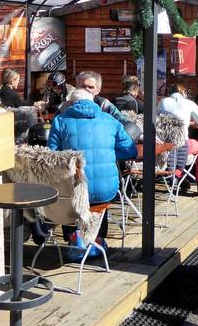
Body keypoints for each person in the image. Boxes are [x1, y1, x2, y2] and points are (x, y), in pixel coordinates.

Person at [48, 89, 137, 251]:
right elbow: (131, 151)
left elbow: (53, 156)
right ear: (93, 102)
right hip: (106, 190)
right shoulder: (110, 120)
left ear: (71, 103)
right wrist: (108, 153)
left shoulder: (60, 121)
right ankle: (98, 238)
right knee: (100, 197)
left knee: (68, 193)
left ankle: (74, 237)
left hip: (74, 191)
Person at [158, 82, 198, 194]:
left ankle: (181, 177)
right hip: (181, 143)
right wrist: (188, 122)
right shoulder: (189, 103)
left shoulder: (162, 102)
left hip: (164, 145)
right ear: (183, 93)